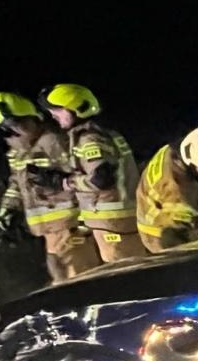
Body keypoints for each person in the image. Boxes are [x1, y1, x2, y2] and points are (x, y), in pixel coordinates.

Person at [0, 91, 101, 282]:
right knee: (61, 277)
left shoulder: (56, 143)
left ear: (35, 118)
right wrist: (7, 213)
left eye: (20, 123)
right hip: (48, 230)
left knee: (82, 281)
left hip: (72, 226)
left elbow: (85, 179)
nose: (16, 131)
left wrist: (84, 221)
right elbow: (17, 183)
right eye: (9, 128)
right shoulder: (17, 153)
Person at [39, 83, 146, 262]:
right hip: (120, 220)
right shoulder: (105, 133)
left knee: (125, 276)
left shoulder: (90, 139)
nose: (53, 115)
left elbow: (101, 179)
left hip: (112, 223)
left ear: (74, 109)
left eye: (57, 110)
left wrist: (66, 183)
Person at [136, 125, 198, 252]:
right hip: (161, 232)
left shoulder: (174, 151)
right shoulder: (181, 192)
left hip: (155, 209)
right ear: (193, 159)